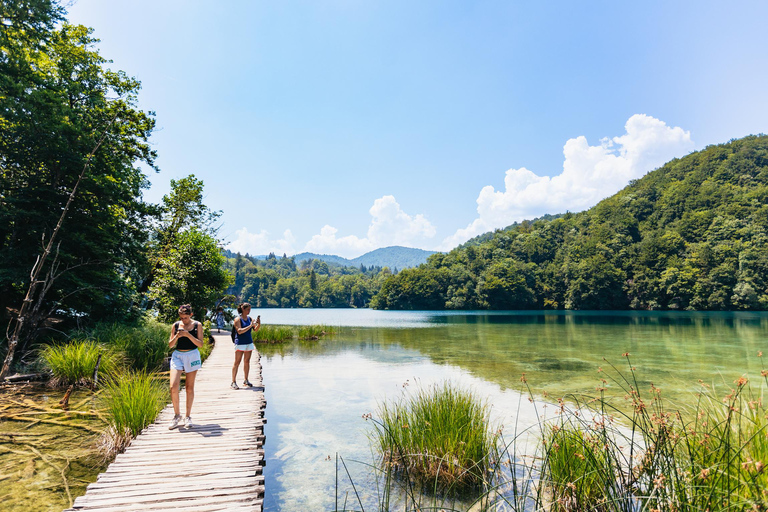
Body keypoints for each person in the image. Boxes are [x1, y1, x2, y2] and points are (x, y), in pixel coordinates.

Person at [168, 304, 204, 429]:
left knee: (189, 387)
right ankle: (177, 415)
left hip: (192, 355)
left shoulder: (197, 325)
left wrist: (188, 334)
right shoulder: (176, 325)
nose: (183, 320)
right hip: (178, 355)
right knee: (173, 386)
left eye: (186, 318)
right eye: (182, 318)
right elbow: (170, 345)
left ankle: (188, 416)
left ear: (191, 315)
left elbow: (200, 344)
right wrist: (177, 336)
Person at [231, 302, 260, 390]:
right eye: (248, 309)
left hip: (248, 343)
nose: (249, 311)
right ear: (243, 309)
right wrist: (250, 325)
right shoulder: (237, 319)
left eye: (250, 309)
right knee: (237, 362)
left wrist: (258, 324)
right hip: (240, 343)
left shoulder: (249, 318)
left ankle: (246, 380)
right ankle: (233, 382)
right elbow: (239, 331)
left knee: (247, 361)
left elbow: (255, 329)